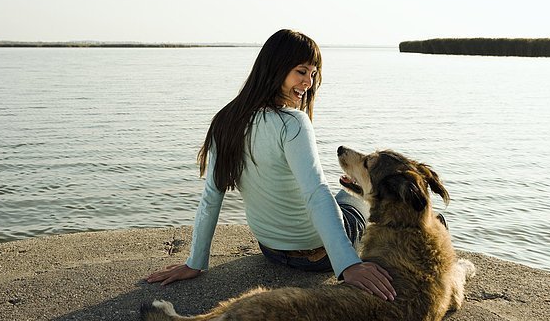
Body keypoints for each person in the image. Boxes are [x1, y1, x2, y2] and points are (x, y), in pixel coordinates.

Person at [146, 29, 396, 301]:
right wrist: (349, 264)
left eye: (313, 74)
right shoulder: (293, 123)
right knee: (353, 195)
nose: (308, 83)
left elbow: (211, 197)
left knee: (344, 190)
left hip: (271, 249)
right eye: (301, 72)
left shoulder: (225, 120)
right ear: (277, 68)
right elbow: (315, 194)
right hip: (317, 256)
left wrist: (195, 262)